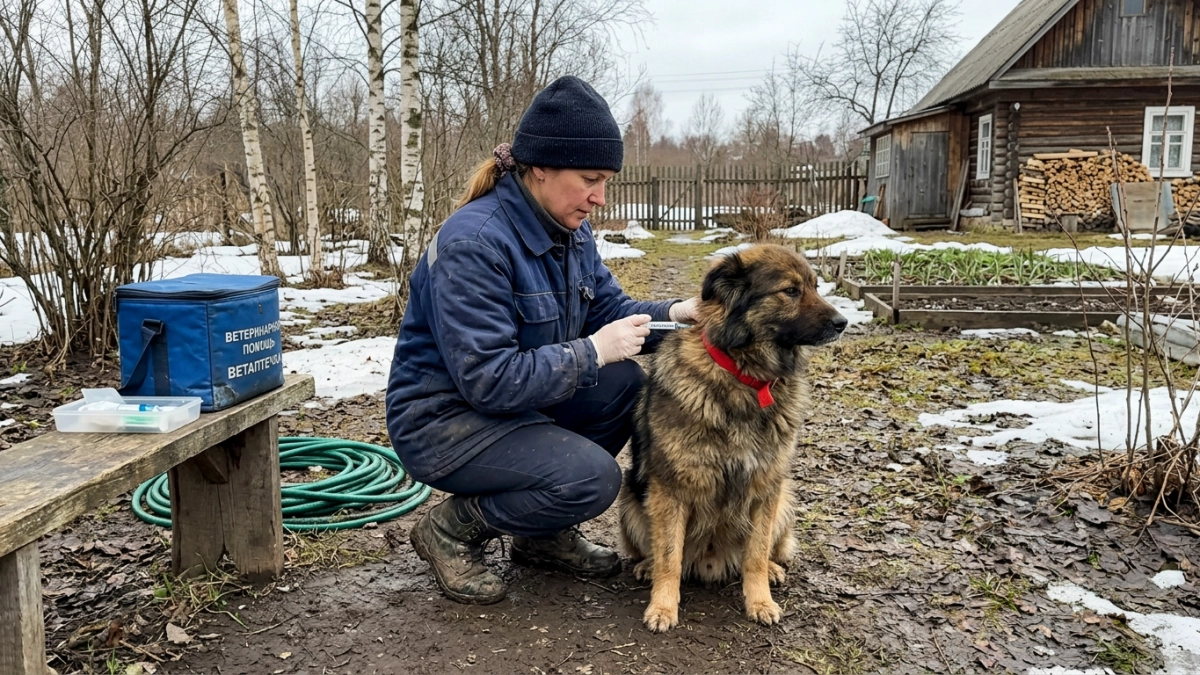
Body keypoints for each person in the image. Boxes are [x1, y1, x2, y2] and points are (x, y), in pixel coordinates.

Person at [386, 76, 699, 605]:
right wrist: (593, 349)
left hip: (511, 406)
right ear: (540, 169)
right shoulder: (475, 244)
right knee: (591, 480)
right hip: (444, 422)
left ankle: (540, 533)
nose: (600, 198)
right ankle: (451, 529)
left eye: (606, 181)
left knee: (623, 383)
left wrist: (678, 314)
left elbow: (610, 310)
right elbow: (488, 380)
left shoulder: (570, 231)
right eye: (590, 179)